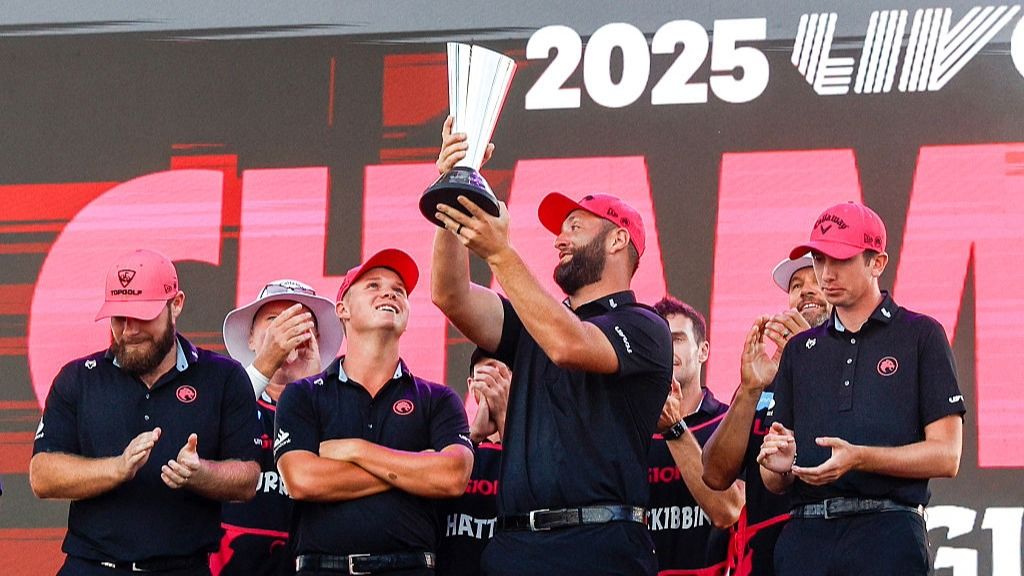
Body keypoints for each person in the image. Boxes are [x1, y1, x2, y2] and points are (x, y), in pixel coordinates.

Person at [431, 118, 672, 576]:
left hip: (599, 548)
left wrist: (502, 253)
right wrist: (451, 193)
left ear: (618, 239)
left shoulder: (644, 327)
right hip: (516, 546)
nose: (560, 239)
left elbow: (568, 344)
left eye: (576, 227)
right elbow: (451, 294)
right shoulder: (533, 322)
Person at [757, 202, 965, 576]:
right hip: (806, 534)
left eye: (841, 259)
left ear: (877, 263)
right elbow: (775, 477)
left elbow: (947, 455)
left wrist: (859, 457)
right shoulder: (800, 351)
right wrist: (779, 466)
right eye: (819, 259)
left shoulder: (920, 335)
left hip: (887, 532)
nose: (826, 273)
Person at [30, 249, 261, 576]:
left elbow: (248, 478)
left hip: (184, 567)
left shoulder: (222, 378)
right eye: (118, 319)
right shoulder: (78, 378)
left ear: (176, 304)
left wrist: (201, 474)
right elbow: (42, 475)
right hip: (92, 566)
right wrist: (117, 468)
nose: (129, 330)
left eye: (142, 316)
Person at [274, 248, 474, 576]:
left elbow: (452, 476)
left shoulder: (437, 398)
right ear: (343, 309)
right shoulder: (303, 395)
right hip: (325, 569)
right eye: (373, 286)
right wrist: (415, 469)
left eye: (399, 290)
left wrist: (357, 449)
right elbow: (303, 480)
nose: (389, 293)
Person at [701, 254, 831, 575]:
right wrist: (749, 389)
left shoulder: (855, 362)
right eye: (796, 285)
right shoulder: (767, 375)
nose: (805, 291)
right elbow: (715, 475)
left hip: (830, 543)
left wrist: (811, 358)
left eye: (816, 281)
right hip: (764, 555)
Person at [211, 279, 344, 576]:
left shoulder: (337, 405)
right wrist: (266, 364)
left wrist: (311, 388)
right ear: (251, 338)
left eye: (300, 323)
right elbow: (208, 430)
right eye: (275, 322)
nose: (289, 332)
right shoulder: (221, 393)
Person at [647, 297, 742, 576]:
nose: (666, 348)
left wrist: (674, 429)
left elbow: (729, 511)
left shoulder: (728, 422)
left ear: (703, 351)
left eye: (676, 339)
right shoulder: (629, 429)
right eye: (658, 339)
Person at [436, 350, 511, 576]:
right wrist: (474, 436)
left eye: (502, 371)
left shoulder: (536, 447)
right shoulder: (448, 443)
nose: (493, 379)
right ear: (470, 385)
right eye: (487, 369)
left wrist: (504, 418)